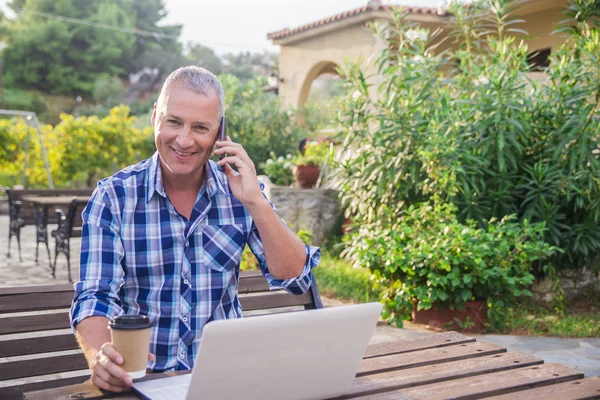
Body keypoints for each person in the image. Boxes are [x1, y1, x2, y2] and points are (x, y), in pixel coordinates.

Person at [69, 66, 320, 393]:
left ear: (219, 134)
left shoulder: (240, 193)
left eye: (200, 127)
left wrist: (256, 202)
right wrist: (101, 357)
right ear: (155, 116)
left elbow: (295, 277)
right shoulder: (114, 197)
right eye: (174, 121)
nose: (184, 140)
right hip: (142, 382)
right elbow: (95, 297)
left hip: (224, 381)